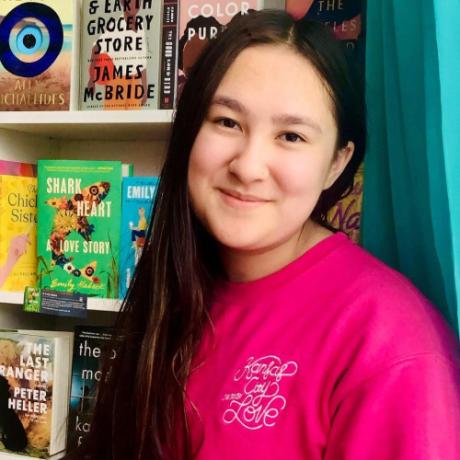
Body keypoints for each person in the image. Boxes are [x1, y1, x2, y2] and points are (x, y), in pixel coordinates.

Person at [67, 10, 460, 460]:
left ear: (337, 160)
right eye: (227, 123)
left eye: (291, 136)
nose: (248, 167)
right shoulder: (176, 282)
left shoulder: (390, 345)